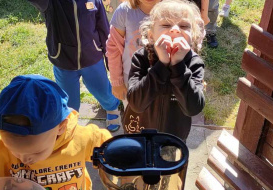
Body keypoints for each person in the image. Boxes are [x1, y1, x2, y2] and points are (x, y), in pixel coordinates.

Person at [0, 75, 112, 190]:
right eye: (12, 149)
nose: (24, 159)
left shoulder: (80, 139)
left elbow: (114, 148)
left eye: (36, 152)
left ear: (61, 127)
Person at [27, 0, 121, 132]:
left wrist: (109, 58)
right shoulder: (50, 3)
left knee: (102, 89)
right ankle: (70, 121)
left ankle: (111, 108)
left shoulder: (94, 1)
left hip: (92, 58)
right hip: (64, 60)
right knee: (68, 98)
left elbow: (103, 29)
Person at [123, 0, 205, 141]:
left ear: (194, 37)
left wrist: (178, 65)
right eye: (166, 25)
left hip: (173, 138)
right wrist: (162, 64)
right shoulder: (141, 58)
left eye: (184, 26)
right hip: (139, 133)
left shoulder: (194, 63)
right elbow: (136, 103)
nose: (175, 29)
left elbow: (193, 108)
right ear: (151, 36)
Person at [106, 0, 161, 109]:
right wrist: (117, 81)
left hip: (162, 77)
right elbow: (113, 47)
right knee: (134, 117)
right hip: (131, 77)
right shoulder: (124, 11)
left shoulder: (173, 11)